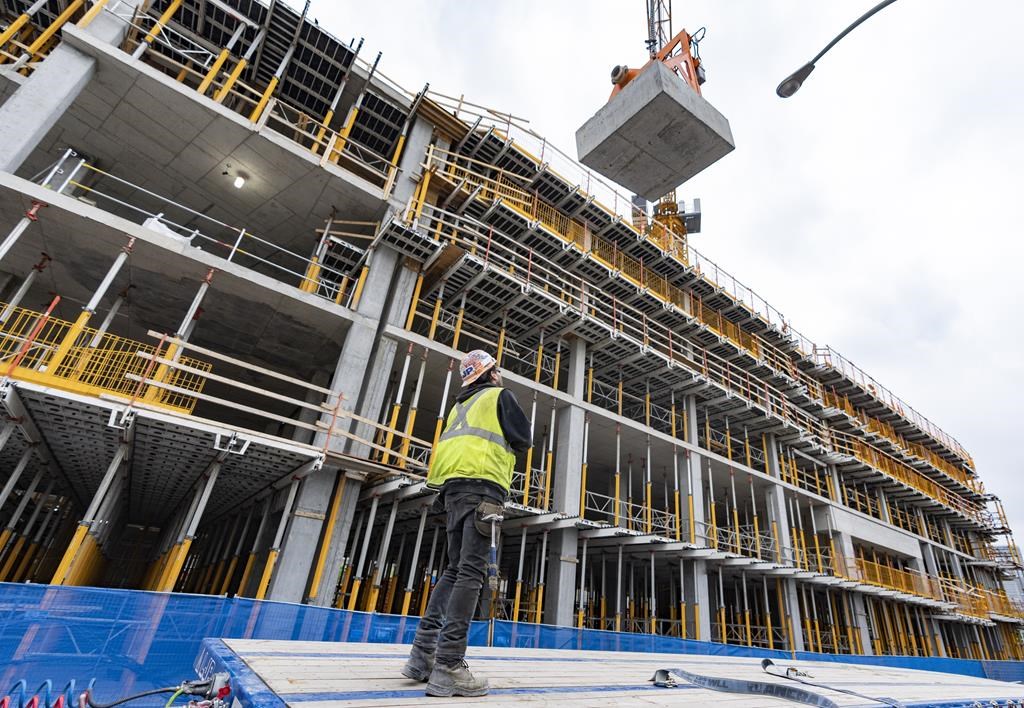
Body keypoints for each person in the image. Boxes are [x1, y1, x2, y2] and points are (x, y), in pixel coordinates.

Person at [402, 349, 531, 697]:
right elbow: (523, 439)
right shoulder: (499, 396)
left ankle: (422, 656)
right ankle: (448, 665)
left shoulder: (459, 407)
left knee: (454, 569)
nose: (500, 375)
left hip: (453, 492)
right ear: (491, 373)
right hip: (482, 491)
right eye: (497, 370)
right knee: (471, 573)